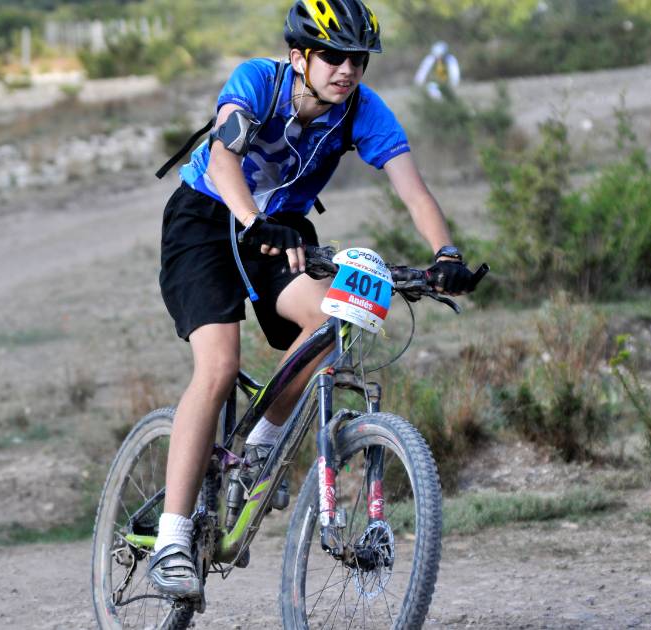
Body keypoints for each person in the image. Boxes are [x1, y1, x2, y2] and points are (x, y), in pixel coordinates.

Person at [148, 0, 474, 598]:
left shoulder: (363, 111)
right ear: (299, 56)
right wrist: (253, 219)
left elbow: (413, 189)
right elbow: (224, 158)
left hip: (283, 230)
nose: (347, 69)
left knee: (332, 321)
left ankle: (258, 452)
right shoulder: (257, 82)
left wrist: (445, 254)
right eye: (332, 56)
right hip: (207, 217)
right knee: (218, 366)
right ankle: (171, 541)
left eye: (358, 59)